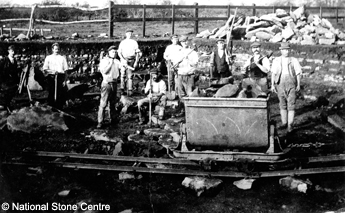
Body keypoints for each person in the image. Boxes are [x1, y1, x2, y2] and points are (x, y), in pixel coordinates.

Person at [271, 42, 302, 133]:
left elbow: (298, 73)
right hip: (280, 82)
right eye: (284, 50)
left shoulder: (294, 60)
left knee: (291, 104)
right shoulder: (277, 60)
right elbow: (273, 73)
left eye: (288, 49)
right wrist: (272, 85)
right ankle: (284, 122)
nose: (286, 51)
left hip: (291, 83)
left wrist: (298, 84)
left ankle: (290, 125)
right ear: (281, 50)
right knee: (282, 102)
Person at [97, 46, 121, 129]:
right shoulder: (104, 61)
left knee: (112, 103)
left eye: (115, 52)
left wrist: (124, 65)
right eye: (112, 52)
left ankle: (113, 120)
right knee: (103, 103)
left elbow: (121, 67)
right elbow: (104, 71)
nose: (114, 53)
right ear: (109, 53)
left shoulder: (117, 61)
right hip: (106, 84)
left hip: (114, 84)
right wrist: (110, 63)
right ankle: (100, 122)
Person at [43, 43, 68, 110]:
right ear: (52, 49)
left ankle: (59, 109)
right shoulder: (48, 58)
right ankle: (51, 108)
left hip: (60, 77)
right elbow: (45, 69)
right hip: (51, 77)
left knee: (60, 93)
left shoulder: (62, 58)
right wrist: (51, 71)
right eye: (55, 49)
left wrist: (65, 80)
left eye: (58, 49)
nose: (57, 50)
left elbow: (65, 71)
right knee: (51, 93)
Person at [118, 29, 142, 96]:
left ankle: (130, 89)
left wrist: (136, 62)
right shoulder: (122, 42)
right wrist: (122, 59)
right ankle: (122, 89)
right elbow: (119, 53)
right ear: (126, 34)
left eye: (131, 33)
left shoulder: (134, 42)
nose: (129, 35)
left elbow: (137, 53)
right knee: (122, 75)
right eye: (128, 33)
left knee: (130, 76)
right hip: (124, 60)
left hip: (131, 60)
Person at [175, 35, 199, 99]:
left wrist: (188, 59)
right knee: (181, 94)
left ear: (188, 42)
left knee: (190, 94)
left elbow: (195, 65)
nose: (185, 43)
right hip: (180, 75)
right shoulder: (178, 52)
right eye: (183, 42)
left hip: (190, 76)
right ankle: (183, 107)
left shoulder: (193, 52)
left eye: (186, 41)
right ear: (180, 43)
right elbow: (175, 65)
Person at [0, 45, 21, 111]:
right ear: (8, 51)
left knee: (12, 91)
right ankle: (4, 105)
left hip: (12, 80)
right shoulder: (4, 60)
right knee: (6, 92)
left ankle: (7, 104)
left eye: (14, 51)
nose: (13, 52)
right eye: (12, 51)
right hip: (5, 80)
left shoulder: (14, 61)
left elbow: (14, 71)